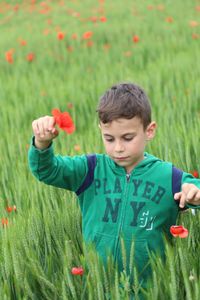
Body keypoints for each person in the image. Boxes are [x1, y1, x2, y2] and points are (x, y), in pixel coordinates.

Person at [28, 82, 200, 295]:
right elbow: (47, 170)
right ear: (101, 130)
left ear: (149, 131)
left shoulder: (168, 176)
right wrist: (41, 144)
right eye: (109, 139)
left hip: (153, 290)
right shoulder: (90, 169)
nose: (118, 148)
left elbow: (193, 188)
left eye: (128, 138)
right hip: (99, 288)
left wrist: (194, 194)